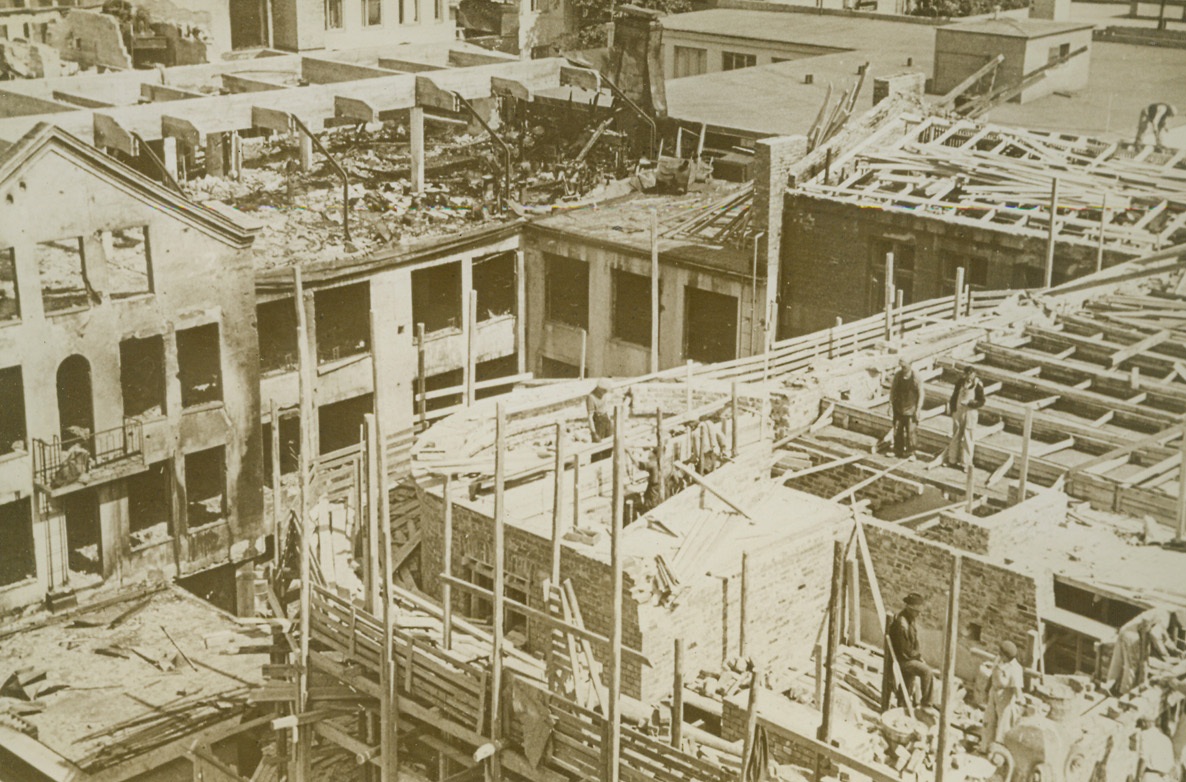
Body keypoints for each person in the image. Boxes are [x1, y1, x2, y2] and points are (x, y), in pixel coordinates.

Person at [888, 593, 935, 709]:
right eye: (916, 612)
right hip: (902, 659)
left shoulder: (910, 619)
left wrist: (918, 656)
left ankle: (902, 703)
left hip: (909, 657)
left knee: (910, 678)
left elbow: (915, 642)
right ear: (910, 609)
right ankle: (926, 705)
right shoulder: (901, 624)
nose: (918, 614)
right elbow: (905, 651)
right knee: (927, 672)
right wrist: (917, 657)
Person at [1110, 608, 1172, 695]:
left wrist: (1174, 649)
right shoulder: (1166, 617)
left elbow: (1165, 636)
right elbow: (1155, 635)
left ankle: (1109, 686)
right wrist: (1164, 653)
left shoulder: (1161, 611)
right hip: (1132, 637)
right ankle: (1124, 694)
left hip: (1125, 630)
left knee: (1117, 662)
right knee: (1132, 666)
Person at [981, 640, 1024, 754]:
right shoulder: (999, 659)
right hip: (993, 693)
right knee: (989, 720)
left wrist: (1020, 702)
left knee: (1003, 726)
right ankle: (985, 747)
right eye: (1000, 654)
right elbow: (992, 675)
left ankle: (998, 753)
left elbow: (1017, 688)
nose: (1000, 656)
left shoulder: (1016, 668)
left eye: (1003, 655)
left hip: (1005, 698)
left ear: (1008, 657)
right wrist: (986, 690)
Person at [946, 366, 985, 470]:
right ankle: (952, 460)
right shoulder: (960, 382)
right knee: (956, 436)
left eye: (971, 374)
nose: (969, 376)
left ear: (974, 374)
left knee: (968, 438)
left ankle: (966, 464)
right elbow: (954, 397)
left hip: (970, 413)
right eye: (967, 374)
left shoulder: (978, 385)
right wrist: (952, 409)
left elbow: (982, 401)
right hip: (958, 412)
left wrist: (971, 403)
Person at [890, 358, 925, 458]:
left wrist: (918, 409)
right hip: (898, 408)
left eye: (904, 367)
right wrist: (890, 404)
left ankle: (911, 452)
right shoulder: (898, 375)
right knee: (897, 430)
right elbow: (893, 390)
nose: (903, 368)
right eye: (901, 367)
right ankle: (898, 450)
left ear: (910, 364)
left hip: (911, 409)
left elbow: (921, 394)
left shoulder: (916, 377)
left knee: (911, 432)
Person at [1136, 718, 1176, 782]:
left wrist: (1137, 778)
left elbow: (1143, 759)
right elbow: (1171, 765)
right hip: (1164, 778)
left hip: (1150, 776)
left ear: (1143, 724)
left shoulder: (1145, 734)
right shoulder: (1167, 739)